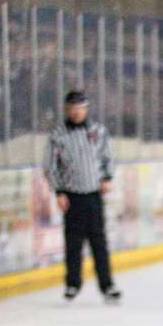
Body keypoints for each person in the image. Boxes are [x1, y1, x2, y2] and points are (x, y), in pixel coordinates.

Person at [43, 90, 119, 304]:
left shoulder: (98, 131)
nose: (75, 112)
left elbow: (108, 156)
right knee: (73, 243)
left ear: (86, 109)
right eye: (71, 108)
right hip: (72, 196)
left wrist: (107, 177)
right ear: (66, 110)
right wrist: (58, 191)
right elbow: (50, 166)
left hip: (93, 195)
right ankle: (72, 283)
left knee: (99, 242)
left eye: (79, 108)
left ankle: (107, 285)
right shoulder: (58, 135)